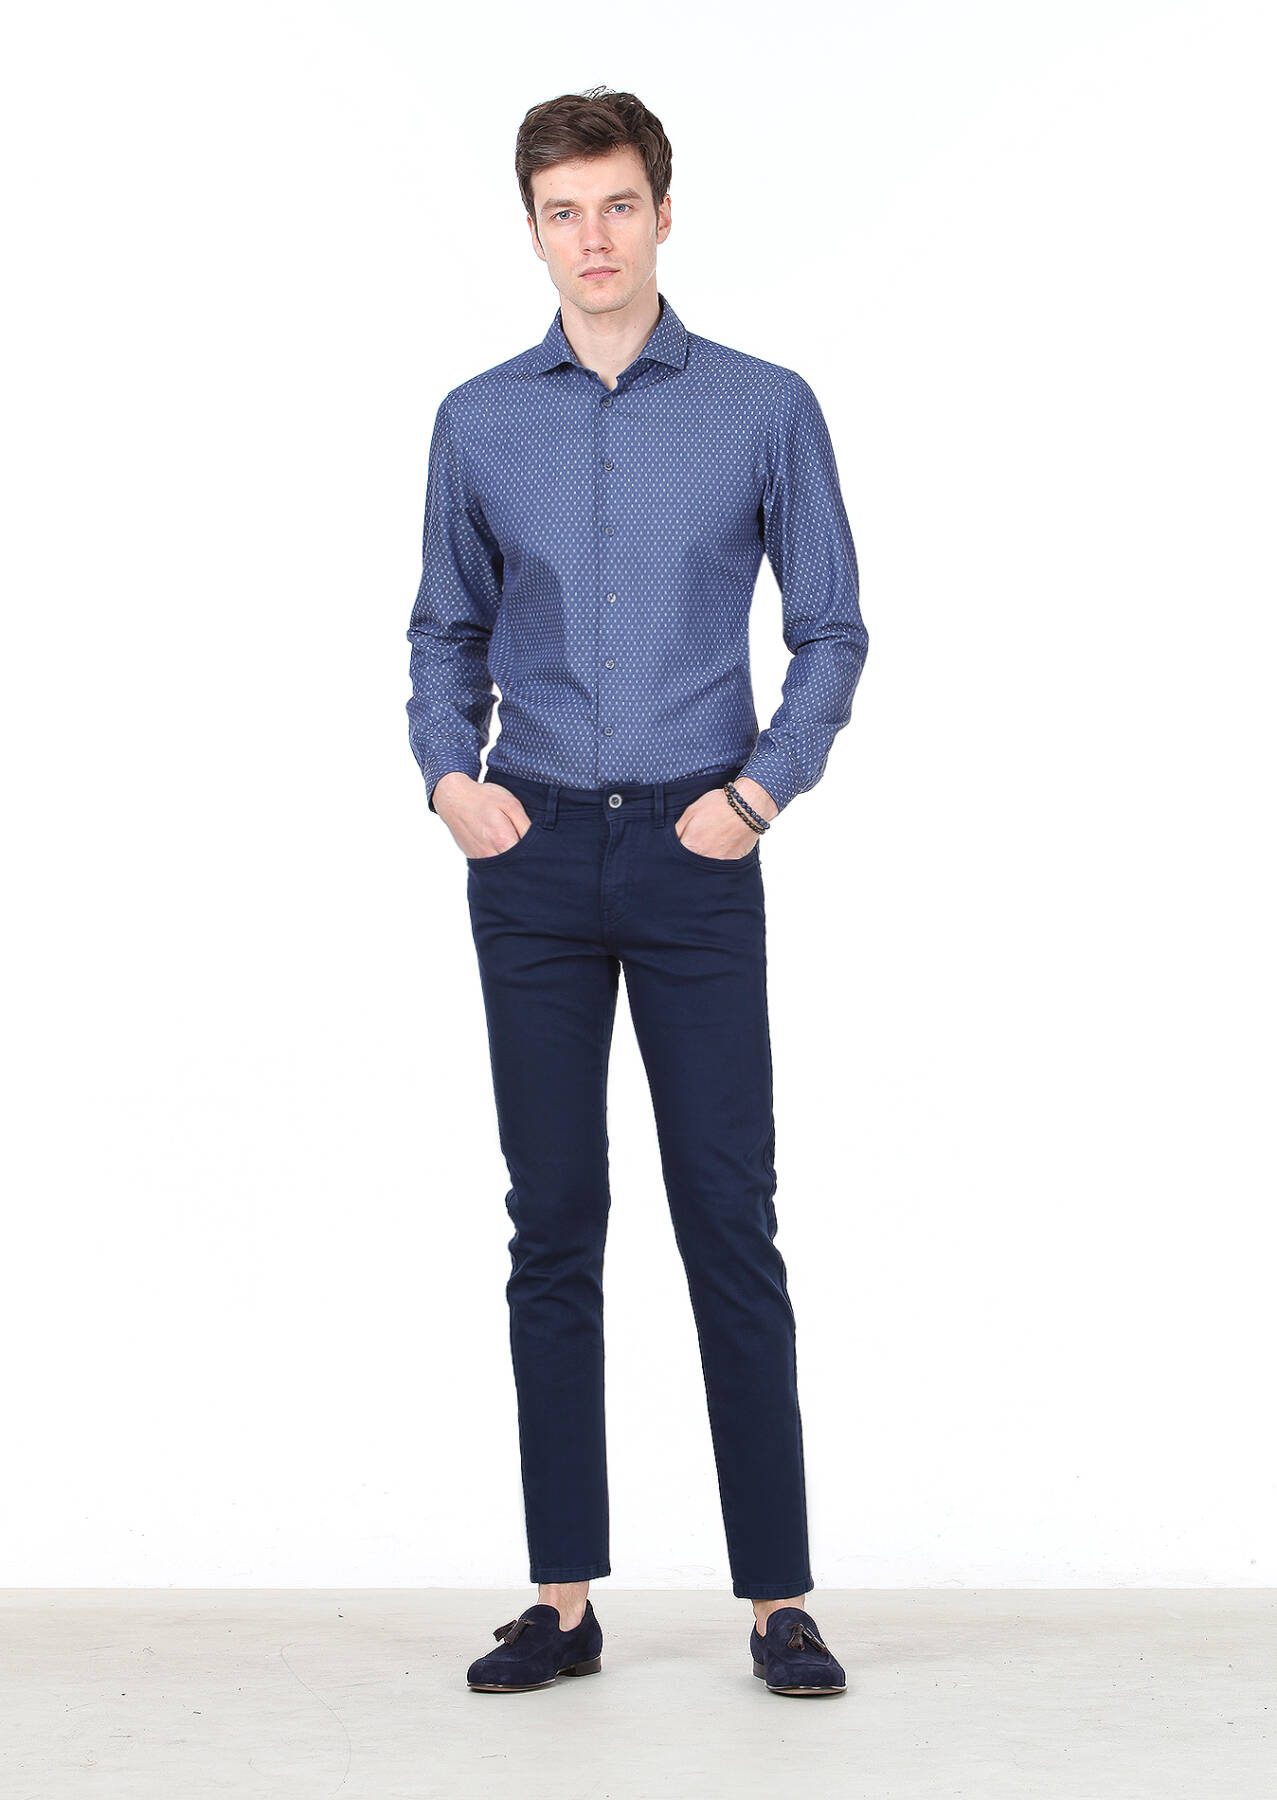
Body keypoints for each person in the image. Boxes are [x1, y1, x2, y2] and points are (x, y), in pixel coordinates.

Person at [405, 85, 868, 1698]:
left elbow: (830, 627)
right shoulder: (478, 420)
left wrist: (757, 794)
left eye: (616, 205)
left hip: (693, 848)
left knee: (727, 1215)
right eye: (562, 212)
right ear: (531, 229)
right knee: (551, 1222)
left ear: (663, 213)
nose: (591, 238)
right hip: (529, 851)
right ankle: (562, 1600)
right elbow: (444, 628)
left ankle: (776, 1602)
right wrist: (448, 779)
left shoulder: (762, 406)